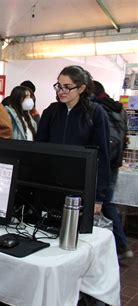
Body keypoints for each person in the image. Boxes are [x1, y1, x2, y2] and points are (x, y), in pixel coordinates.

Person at [36, 65, 110, 215]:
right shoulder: (51, 111)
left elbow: (102, 156)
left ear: (81, 89)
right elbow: (39, 148)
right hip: (51, 183)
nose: (61, 91)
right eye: (59, 86)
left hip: (80, 186)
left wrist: (98, 197)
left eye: (67, 87)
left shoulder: (95, 113)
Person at [92, 80, 133, 259]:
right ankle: (121, 245)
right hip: (115, 162)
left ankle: (121, 245)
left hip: (101, 163)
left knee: (103, 203)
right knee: (107, 202)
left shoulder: (96, 109)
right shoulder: (119, 109)